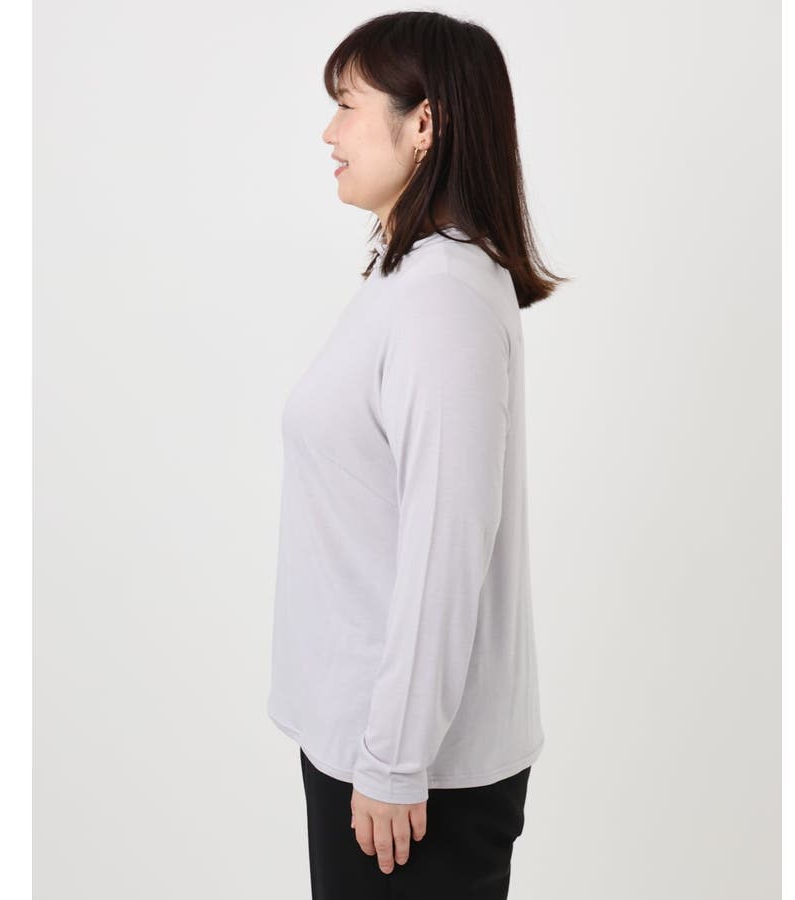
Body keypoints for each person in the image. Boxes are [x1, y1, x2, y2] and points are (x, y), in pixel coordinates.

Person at [266, 11, 569, 898]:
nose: (329, 133)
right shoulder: (410, 279)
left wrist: (395, 762)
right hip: (374, 751)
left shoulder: (444, 299)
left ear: (423, 123)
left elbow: (446, 544)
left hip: (413, 777)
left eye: (348, 105)